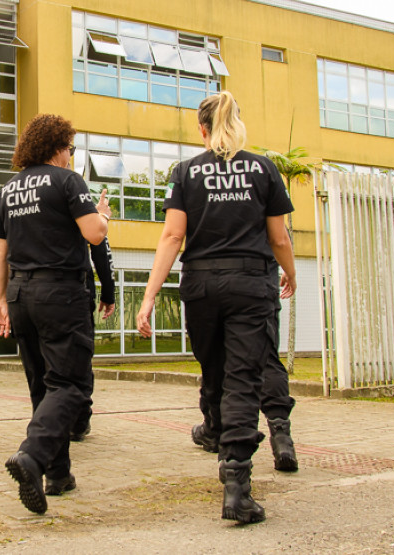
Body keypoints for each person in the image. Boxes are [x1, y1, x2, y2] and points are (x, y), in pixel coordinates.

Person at [135, 91, 296, 524]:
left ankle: (217, 438)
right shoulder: (263, 168)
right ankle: (237, 488)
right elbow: (279, 238)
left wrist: (149, 296)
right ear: (238, 123)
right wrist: (292, 274)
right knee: (243, 379)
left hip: (201, 285)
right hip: (250, 282)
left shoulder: (184, 172)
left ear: (201, 129)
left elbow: (172, 238)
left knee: (216, 373)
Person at [0, 114, 112, 513]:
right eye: (72, 148)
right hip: (61, 293)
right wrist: (104, 215)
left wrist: (1, 299)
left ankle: (57, 475)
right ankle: (31, 456)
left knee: (43, 386)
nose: (72, 155)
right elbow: (94, 233)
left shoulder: (9, 189)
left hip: (20, 293)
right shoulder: (67, 181)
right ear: (58, 147)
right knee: (71, 385)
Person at [190, 258, 298, 472]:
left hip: (214, 282)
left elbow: (177, 236)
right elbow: (279, 236)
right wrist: (288, 266)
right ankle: (281, 436)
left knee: (217, 362)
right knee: (266, 357)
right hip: (259, 282)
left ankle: (216, 431)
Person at [70, 238, 116, 442]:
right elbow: (100, 249)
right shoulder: (83, 206)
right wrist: (108, 292)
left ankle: (45, 421)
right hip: (77, 291)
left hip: (33, 292)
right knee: (79, 358)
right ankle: (77, 421)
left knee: (44, 360)